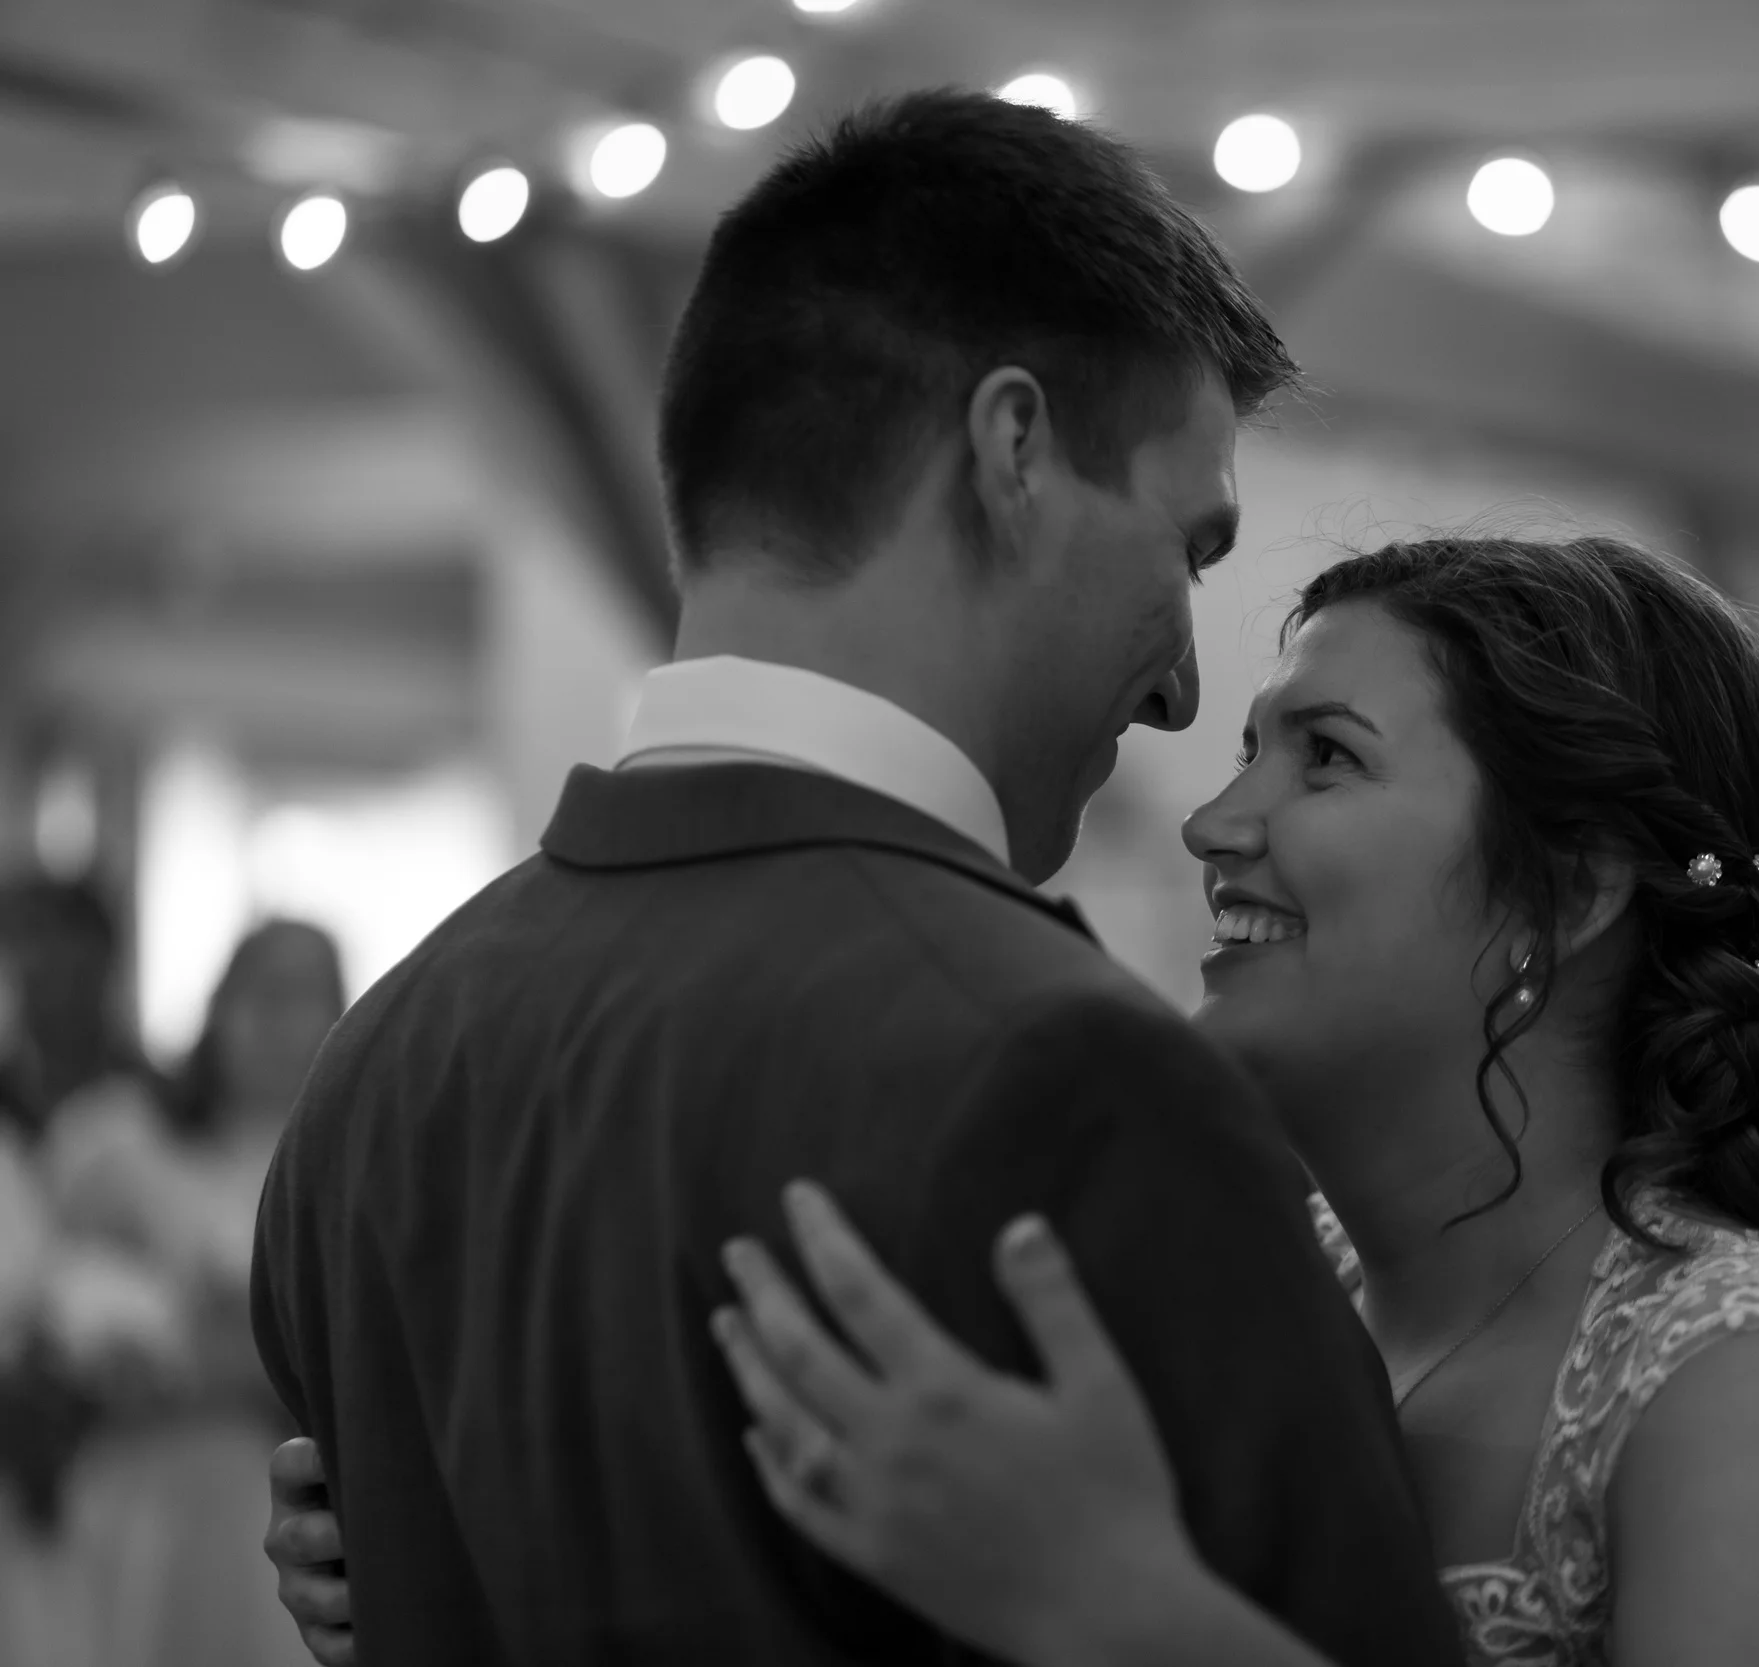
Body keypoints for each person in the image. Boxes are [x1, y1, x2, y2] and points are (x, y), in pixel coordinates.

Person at [248, 89, 1458, 1667]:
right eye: (1188, 549)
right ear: (1012, 448)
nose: (1176, 686)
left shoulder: (374, 1073)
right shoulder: (1073, 1077)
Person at [270, 536, 1759, 1665]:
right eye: (1248, 750)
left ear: (1572, 888)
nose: (1217, 821)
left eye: (1326, 758)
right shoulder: (1241, 1264)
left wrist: (1122, 1610)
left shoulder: (1750, 1389)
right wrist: (447, 1539)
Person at [39, 920, 343, 1667]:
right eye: (260, 992)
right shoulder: (120, 1135)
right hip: (136, 1481)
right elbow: (54, 1289)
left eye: (306, 996)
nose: (279, 1022)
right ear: (218, 1002)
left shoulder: (345, 1160)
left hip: (266, 1496)